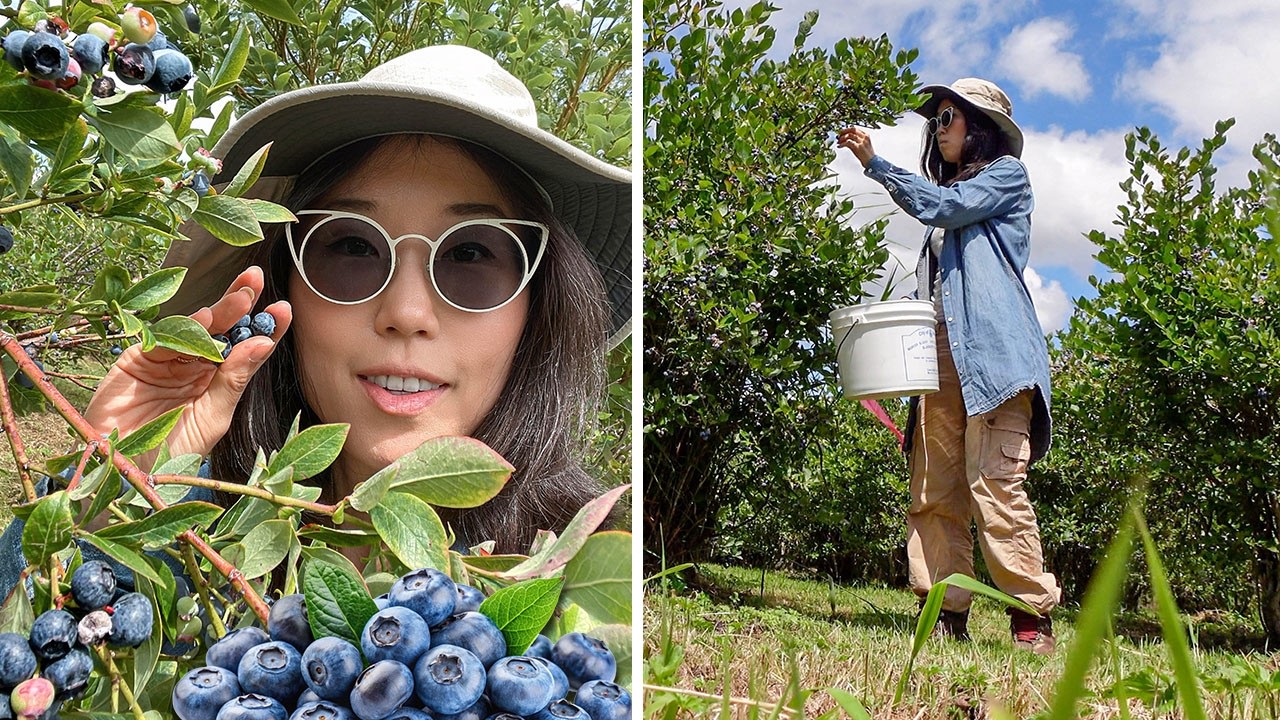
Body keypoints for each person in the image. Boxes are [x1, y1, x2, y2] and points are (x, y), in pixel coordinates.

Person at [0, 44, 630, 588]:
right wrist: (107, 495)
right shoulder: (189, 530)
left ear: (537, 308)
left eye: (471, 254)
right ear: (285, 291)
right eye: (352, 247)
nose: (407, 314)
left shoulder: (587, 594)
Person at [838, 78, 1059, 654]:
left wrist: (875, 164)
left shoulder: (1006, 177)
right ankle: (944, 609)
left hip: (995, 355)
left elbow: (944, 205)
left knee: (996, 484)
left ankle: (1030, 615)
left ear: (979, 126)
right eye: (935, 121)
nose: (938, 130)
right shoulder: (945, 215)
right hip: (940, 351)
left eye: (948, 118)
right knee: (936, 486)